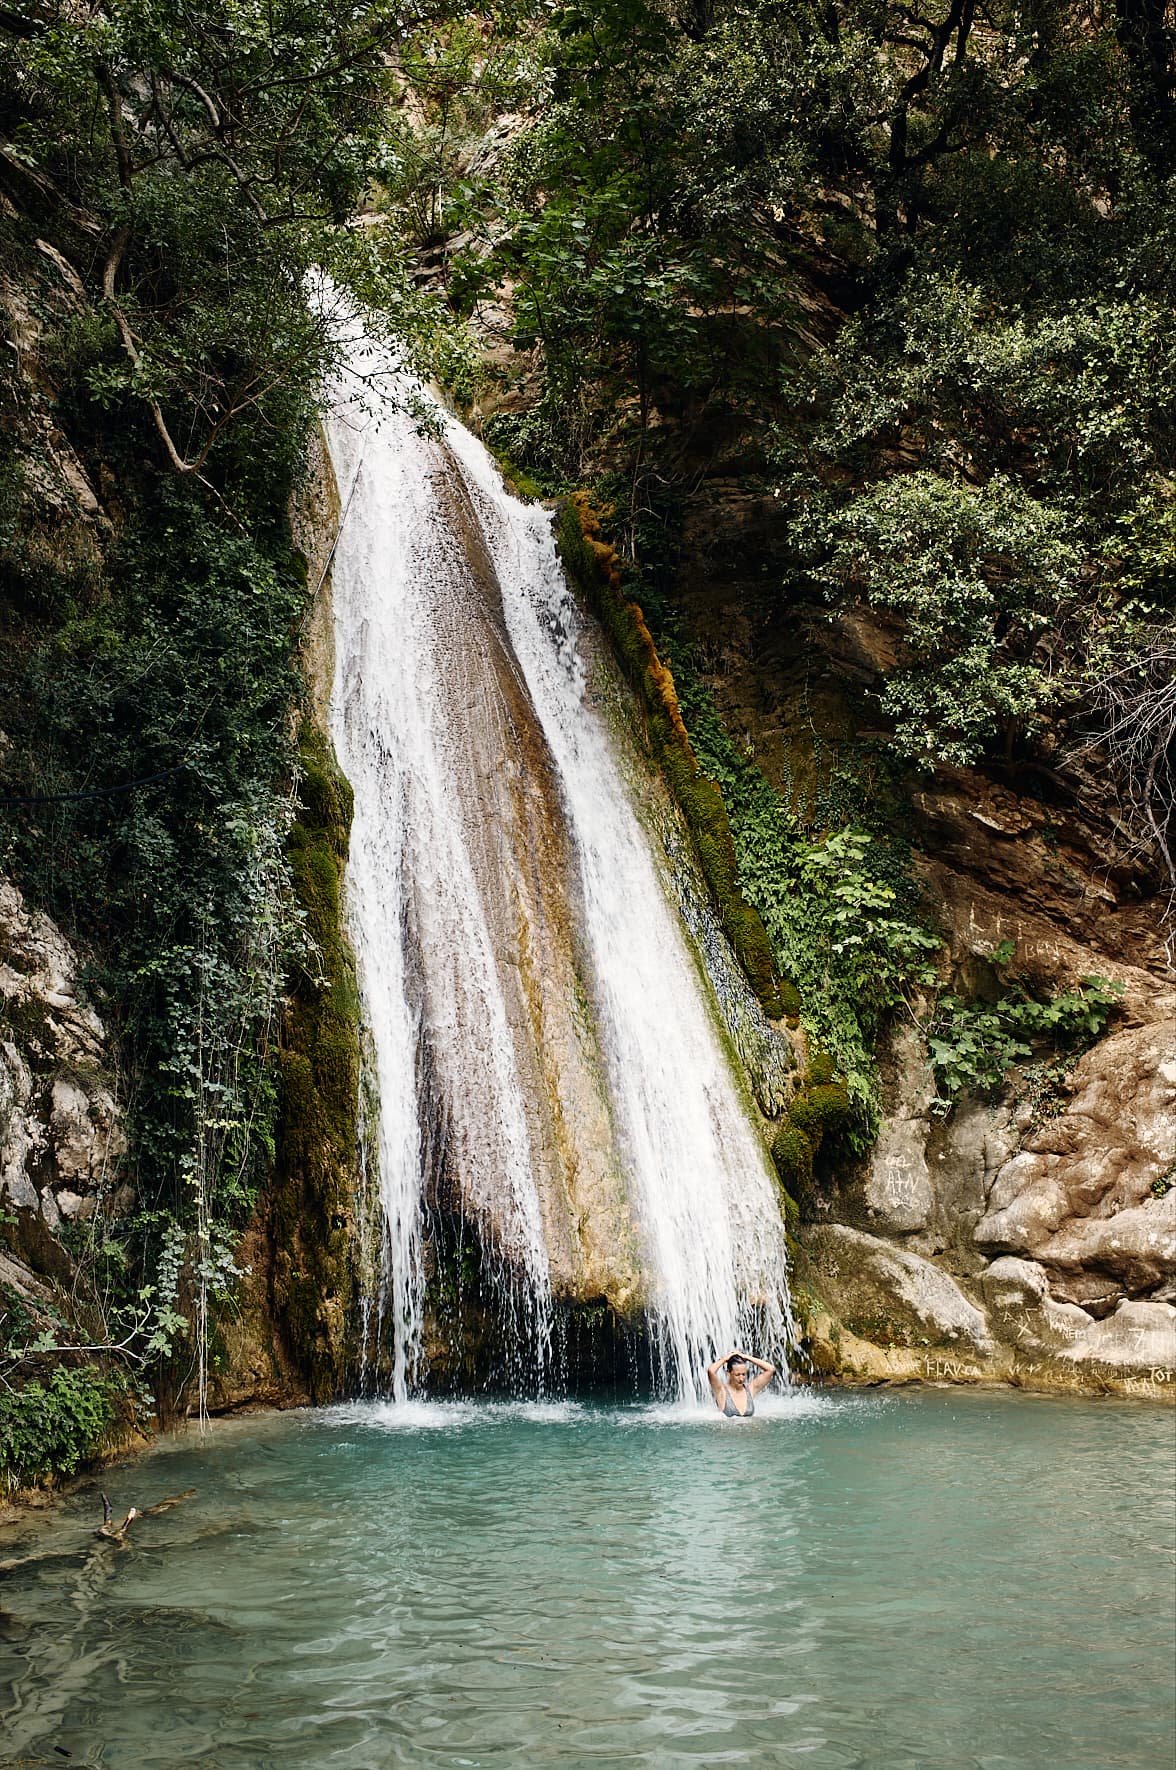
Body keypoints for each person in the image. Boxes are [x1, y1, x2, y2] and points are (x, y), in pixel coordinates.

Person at [707, 1348, 776, 1417]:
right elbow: (711, 1371)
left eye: (743, 1374)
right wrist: (725, 1359)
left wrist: (746, 1357)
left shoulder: (750, 1389)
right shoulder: (721, 1391)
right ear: (728, 1373)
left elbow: (770, 1369)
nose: (741, 1378)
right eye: (737, 1375)